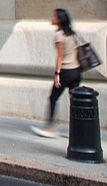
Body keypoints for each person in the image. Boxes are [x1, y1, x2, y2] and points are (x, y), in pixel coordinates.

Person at [32, 8, 81, 138]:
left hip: (66, 71)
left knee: (53, 98)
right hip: (76, 71)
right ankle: (77, 129)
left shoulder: (59, 35)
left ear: (59, 19)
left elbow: (60, 56)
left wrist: (57, 74)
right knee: (74, 100)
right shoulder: (72, 33)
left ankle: (50, 127)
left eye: (53, 16)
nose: (51, 17)